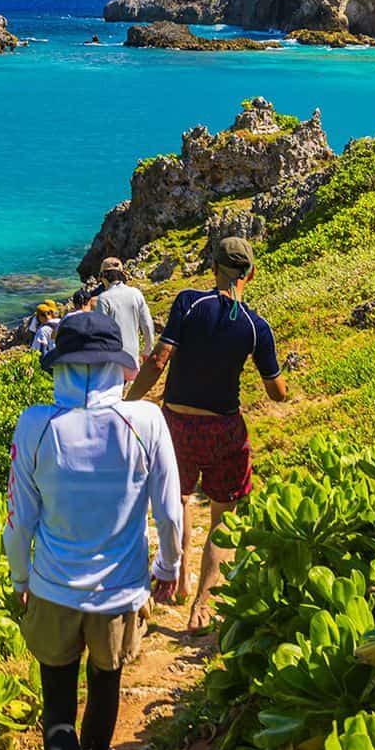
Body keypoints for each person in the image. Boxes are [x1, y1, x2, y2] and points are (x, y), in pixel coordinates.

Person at [5, 311, 184, 750]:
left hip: (52, 587)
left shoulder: (35, 425)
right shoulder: (146, 420)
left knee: (57, 698)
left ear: (60, 366)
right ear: (117, 367)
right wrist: (169, 565)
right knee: (106, 688)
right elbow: (169, 511)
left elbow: (19, 521)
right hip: (119, 592)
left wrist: (20, 578)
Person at [125, 236, 287, 632]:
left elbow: (159, 359)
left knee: (176, 497)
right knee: (222, 513)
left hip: (176, 422)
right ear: (250, 273)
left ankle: (176, 577)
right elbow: (276, 392)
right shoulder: (255, 327)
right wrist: (284, 382)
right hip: (224, 427)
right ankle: (202, 605)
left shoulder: (188, 302)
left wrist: (129, 402)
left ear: (213, 269)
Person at [93, 257, 157, 367]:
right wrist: (148, 350)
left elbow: (100, 332)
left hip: (112, 361)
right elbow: (147, 324)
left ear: (104, 276)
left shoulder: (103, 298)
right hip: (133, 359)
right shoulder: (136, 294)